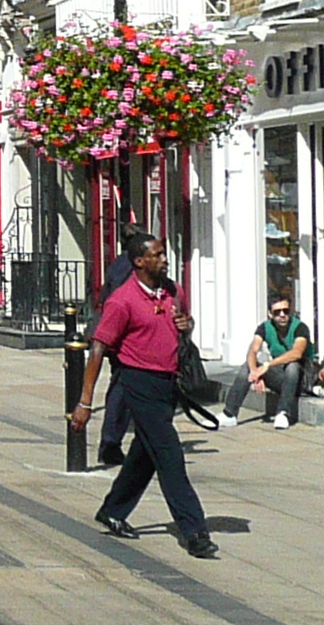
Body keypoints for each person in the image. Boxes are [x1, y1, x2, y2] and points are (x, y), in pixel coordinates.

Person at [73, 230, 217, 559]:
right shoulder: (122, 301)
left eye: (164, 253)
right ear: (139, 261)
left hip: (168, 382)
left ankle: (113, 510)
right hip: (136, 382)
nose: (164, 259)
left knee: (145, 452)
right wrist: (84, 402)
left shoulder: (171, 291)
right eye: (157, 254)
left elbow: (180, 324)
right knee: (169, 455)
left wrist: (187, 324)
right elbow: (98, 349)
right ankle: (194, 530)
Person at [229, 297, 313, 430]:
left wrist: (266, 365)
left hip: (301, 381)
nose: (282, 315)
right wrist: (255, 373)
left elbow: (296, 353)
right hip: (281, 377)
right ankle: (230, 414)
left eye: (285, 311)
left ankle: (283, 413)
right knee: (247, 366)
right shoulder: (264, 327)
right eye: (277, 312)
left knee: (292, 366)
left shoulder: (300, 328)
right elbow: (252, 351)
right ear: (270, 314)